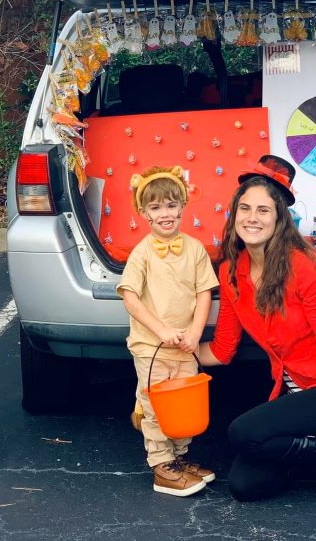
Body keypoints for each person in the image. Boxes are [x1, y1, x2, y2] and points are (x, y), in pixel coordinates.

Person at [198, 157, 316, 502]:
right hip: (299, 389)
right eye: (245, 208)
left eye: (263, 211)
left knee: (243, 433)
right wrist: (174, 348)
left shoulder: (305, 266)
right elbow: (223, 349)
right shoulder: (230, 271)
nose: (252, 218)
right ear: (234, 214)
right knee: (244, 485)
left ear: (279, 219)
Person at [117, 165, 219, 497]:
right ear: (143, 212)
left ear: (183, 206)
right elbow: (130, 298)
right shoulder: (142, 254)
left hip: (185, 346)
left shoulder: (195, 249)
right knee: (155, 404)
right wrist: (160, 329)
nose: (165, 213)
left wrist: (194, 332)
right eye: (156, 207)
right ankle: (161, 464)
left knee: (184, 406)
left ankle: (178, 458)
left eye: (172, 205)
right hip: (152, 346)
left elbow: (204, 293)